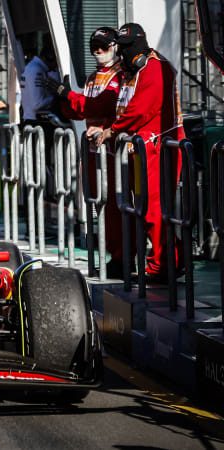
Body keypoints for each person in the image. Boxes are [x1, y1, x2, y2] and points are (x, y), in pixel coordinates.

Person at [87, 23, 184, 281]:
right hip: (139, 148)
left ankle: (164, 265)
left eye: (128, 47)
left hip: (158, 148)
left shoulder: (155, 68)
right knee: (136, 208)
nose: (124, 53)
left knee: (155, 209)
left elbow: (141, 109)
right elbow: (114, 102)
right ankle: (138, 258)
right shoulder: (133, 70)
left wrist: (112, 130)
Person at [44, 27, 128, 277]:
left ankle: (123, 257)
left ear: (115, 46)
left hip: (113, 148)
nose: (98, 51)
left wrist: (67, 94)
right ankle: (111, 253)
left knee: (116, 204)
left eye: (103, 46)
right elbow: (80, 110)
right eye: (94, 47)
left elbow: (100, 104)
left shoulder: (120, 75)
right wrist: (61, 100)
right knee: (98, 202)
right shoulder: (93, 77)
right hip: (92, 149)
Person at [21, 42, 59, 125]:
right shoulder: (37, 70)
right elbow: (37, 104)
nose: (56, 65)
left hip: (31, 119)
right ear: (50, 58)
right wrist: (57, 97)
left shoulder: (31, 67)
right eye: (56, 61)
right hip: (36, 121)